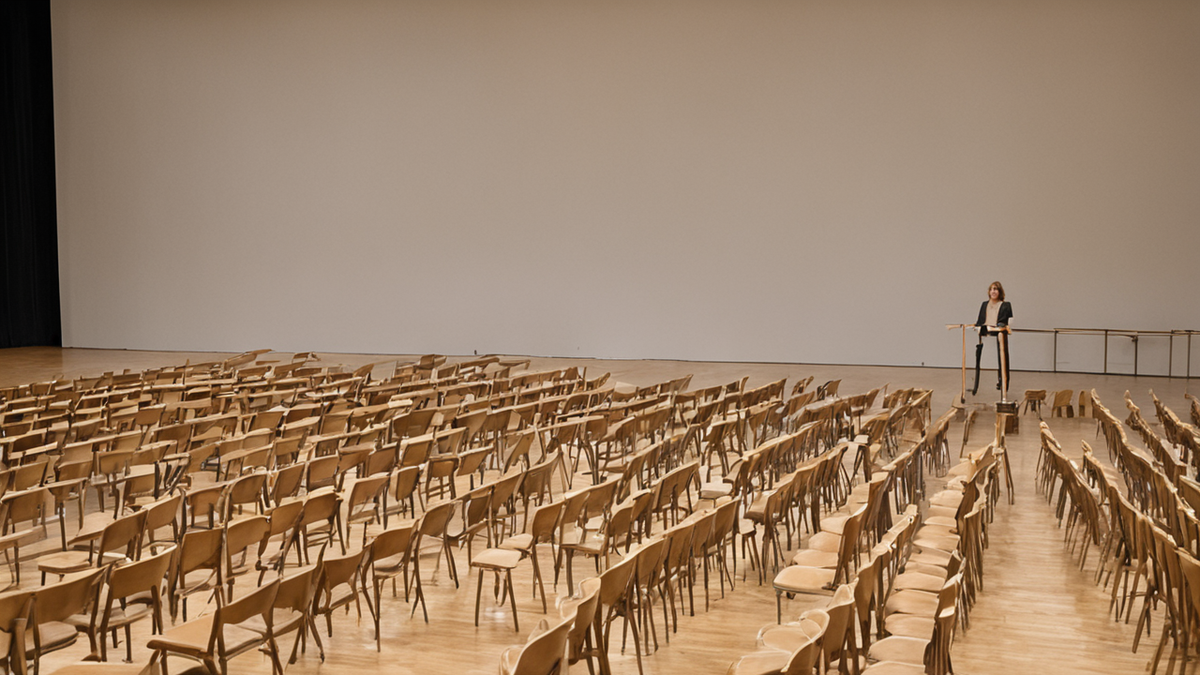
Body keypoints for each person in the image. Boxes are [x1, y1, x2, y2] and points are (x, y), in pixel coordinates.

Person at [972, 281, 1013, 395]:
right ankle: (977, 386)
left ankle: (1003, 383)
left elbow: (1009, 321)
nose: (993, 291)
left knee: (1002, 360)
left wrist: (1002, 327)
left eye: (996, 289)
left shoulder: (1006, 305)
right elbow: (979, 321)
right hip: (986, 335)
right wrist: (978, 328)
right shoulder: (984, 304)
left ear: (1000, 292)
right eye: (991, 289)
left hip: (999, 335)